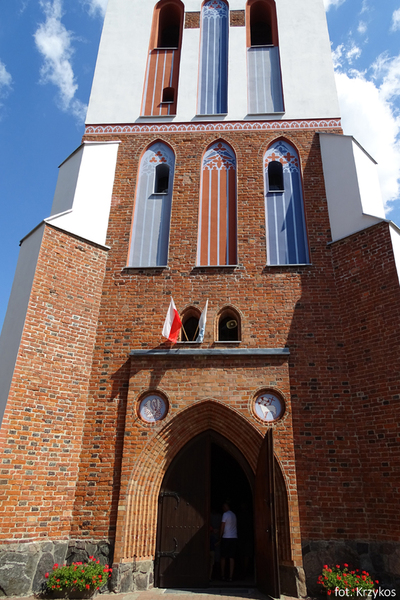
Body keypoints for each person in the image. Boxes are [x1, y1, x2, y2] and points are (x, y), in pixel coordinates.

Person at [219, 501, 237, 581]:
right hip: (234, 537)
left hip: (226, 537)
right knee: (231, 557)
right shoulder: (234, 515)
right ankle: (230, 576)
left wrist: (220, 536)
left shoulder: (225, 514)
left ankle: (222, 575)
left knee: (223, 557)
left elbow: (222, 526)